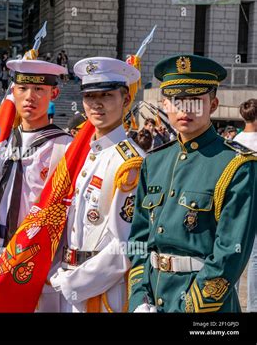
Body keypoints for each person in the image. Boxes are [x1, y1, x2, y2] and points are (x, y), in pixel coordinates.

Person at [128, 54, 257, 313]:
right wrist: (139, 298)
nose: (185, 109)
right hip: (151, 297)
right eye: (176, 101)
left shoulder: (237, 165)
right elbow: (138, 239)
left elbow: (230, 253)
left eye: (195, 100)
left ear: (213, 104)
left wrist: (189, 307)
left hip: (203, 306)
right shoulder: (154, 162)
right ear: (165, 104)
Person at [49, 57, 145, 313]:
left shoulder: (130, 162)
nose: (97, 104)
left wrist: (74, 283)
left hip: (102, 291)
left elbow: (127, 244)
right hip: (70, 278)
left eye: (106, 95)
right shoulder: (85, 153)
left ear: (126, 100)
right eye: (90, 96)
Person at [0, 57, 72, 312]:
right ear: (12, 92)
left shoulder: (65, 147)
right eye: (23, 89)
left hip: (39, 258)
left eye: (39, 90)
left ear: (54, 93)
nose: (30, 97)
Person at [233, 98, 257, 312]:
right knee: (256, 257)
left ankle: (231, 303)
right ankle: (253, 306)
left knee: (235, 255)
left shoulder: (235, 141)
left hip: (237, 203)